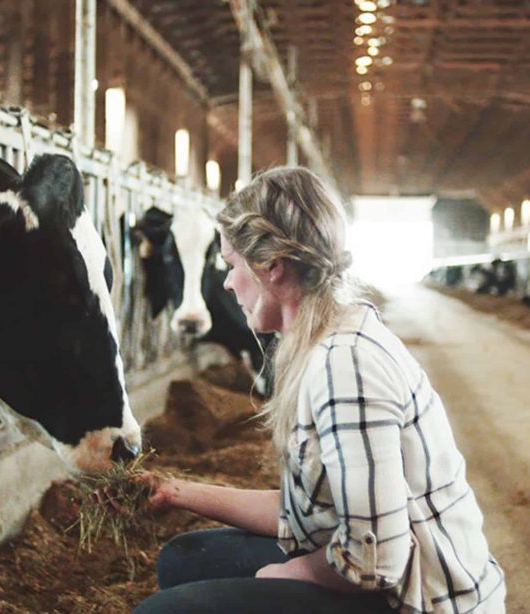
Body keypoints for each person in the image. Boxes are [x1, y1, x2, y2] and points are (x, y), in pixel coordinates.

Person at [134, 167, 506, 613]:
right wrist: (176, 492)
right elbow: (302, 516)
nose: (229, 282)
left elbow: (374, 560)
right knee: (184, 558)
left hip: (421, 598)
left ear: (273, 268)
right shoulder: (317, 342)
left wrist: (288, 574)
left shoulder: (344, 365)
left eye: (232, 265)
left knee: (161, 613)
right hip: (389, 574)